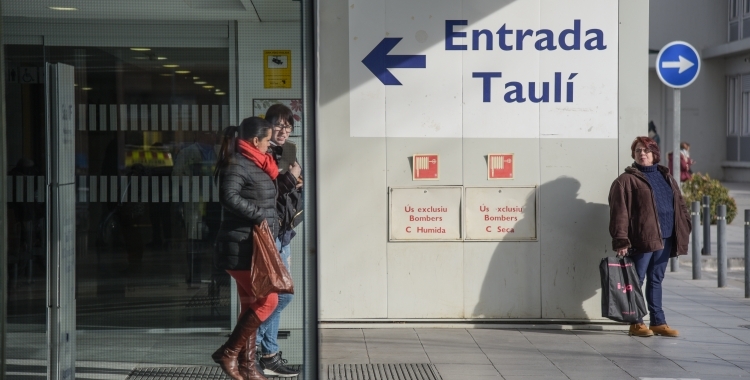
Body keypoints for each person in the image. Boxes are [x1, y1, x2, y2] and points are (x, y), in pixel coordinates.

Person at [212, 117, 280, 380]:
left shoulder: (256, 163)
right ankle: (228, 353)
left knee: (250, 304)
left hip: (250, 246)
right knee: (269, 299)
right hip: (240, 246)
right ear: (255, 141)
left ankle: (248, 368)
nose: (269, 145)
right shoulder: (238, 163)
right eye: (267, 140)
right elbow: (228, 196)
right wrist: (259, 215)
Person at [608, 136, 691, 338]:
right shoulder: (625, 181)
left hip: (666, 236)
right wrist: (621, 241)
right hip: (642, 238)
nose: (642, 154)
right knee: (636, 280)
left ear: (655, 154)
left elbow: (679, 204)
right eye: (638, 151)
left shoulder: (666, 177)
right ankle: (636, 323)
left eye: (646, 150)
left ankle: (658, 322)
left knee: (656, 279)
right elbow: (619, 213)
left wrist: (685, 225)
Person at [256, 104, 302, 377]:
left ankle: (268, 354)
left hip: (283, 233)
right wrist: (291, 178)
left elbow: (287, 192)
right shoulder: (261, 153)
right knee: (279, 296)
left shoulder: (288, 152)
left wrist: (299, 181)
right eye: (279, 125)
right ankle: (247, 342)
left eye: (289, 126)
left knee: (278, 295)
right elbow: (267, 194)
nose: (284, 131)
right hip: (269, 233)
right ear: (267, 125)